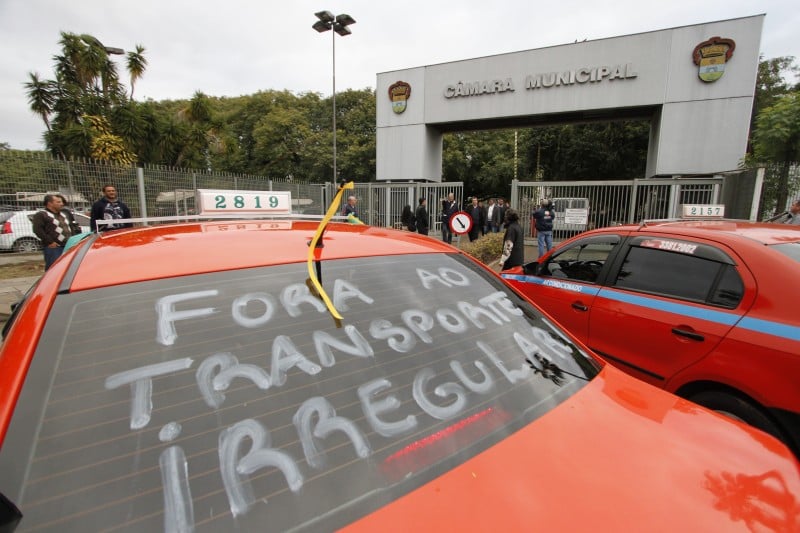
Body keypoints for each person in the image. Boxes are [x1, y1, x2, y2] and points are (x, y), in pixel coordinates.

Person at [31, 194, 78, 270]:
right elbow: (37, 230)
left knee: (68, 268)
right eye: (58, 202)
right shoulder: (42, 215)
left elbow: (71, 227)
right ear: (50, 203)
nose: (61, 204)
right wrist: (50, 242)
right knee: (54, 268)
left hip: (68, 245)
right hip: (54, 247)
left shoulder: (64, 214)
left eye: (61, 202)